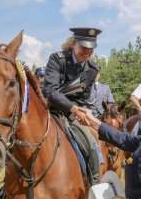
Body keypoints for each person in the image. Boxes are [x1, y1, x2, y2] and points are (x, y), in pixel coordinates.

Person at [43, 27, 102, 185]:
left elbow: (83, 98)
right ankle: (5, 190)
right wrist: (73, 108)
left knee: (90, 144)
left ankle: (95, 184)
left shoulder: (93, 69)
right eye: (83, 47)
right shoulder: (57, 59)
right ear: (74, 44)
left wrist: (79, 111)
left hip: (71, 115)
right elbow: (50, 90)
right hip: (47, 110)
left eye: (91, 49)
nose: (87, 52)